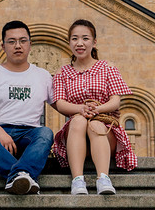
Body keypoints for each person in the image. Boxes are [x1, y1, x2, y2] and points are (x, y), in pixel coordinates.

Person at [0, 20, 56, 194]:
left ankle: (17, 175)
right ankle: (23, 176)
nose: (18, 46)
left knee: (46, 133)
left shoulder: (43, 76)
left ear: (30, 45)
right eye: (12, 41)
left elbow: (59, 104)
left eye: (23, 41)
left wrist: (83, 109)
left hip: (28, 135)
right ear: (3, 46)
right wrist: (0, 132)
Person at [51, 19, 137, 195]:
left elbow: (115, 101)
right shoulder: (62, 73)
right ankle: (77, 180)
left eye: (85, 38)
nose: (80, 43)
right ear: (69, 42)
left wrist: (96, 110)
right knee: (78, 122)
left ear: (94, 42)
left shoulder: (107, 68)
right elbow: (60, 103)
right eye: (74, 39)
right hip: (76, 130)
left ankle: (103, 179)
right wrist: (80, 110)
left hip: (105, 128)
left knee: (95, 125)